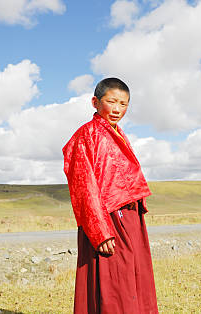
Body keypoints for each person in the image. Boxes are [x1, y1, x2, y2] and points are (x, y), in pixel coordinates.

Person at [63, 77, 158, 314]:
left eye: (124, 104)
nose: (117, 109)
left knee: (134, 277)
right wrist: (99, 230)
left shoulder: (118, 133)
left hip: (130, 217)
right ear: (95, 102)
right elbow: (83, 184)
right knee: (114, 284)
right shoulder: (86, 134)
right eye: (111, 101)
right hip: (107, 219)